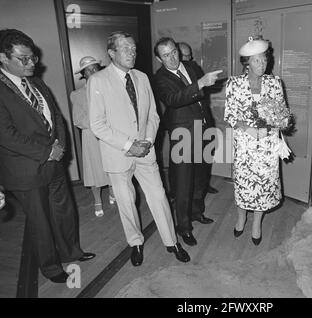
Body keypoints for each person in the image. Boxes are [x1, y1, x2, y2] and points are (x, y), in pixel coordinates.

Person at [0, 29, 95, 283]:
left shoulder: (36, 82)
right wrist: (46, 151)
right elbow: (6, 134)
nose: (33, 63)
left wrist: (60, 147)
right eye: (24, 59)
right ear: (2, 58)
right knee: (40, 222)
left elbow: (57, 118)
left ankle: (72, 251)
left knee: (64, 212)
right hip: (26, 170)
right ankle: (51, 267)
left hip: (54, 162)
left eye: (32, 57)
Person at [88, 31, 190, 266]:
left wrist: (147, 141)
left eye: (133, 49)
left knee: (159, 196)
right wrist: (128, 145)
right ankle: (136, 242)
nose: (132, 53)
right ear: (111, 53)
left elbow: (153, 115)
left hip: (145, 150)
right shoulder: (98, 81)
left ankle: (172, 242)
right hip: (118, 154)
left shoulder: (143, 78)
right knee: (126, 203)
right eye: (126, 49)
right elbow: (97, 125)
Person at [152, 37, 221, 247]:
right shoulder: (160, 78)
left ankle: (197, 212)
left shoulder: (191, 66)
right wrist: (199, 83)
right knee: (182, 184)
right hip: (182, 135)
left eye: (173, 52)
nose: (172, 58)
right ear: (158, 58)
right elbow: (174, 99)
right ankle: (184, 227)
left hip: (203, 129)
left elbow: (202, 95)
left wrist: (202, 84)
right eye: (165, 55)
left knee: (201, 177)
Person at [224, 37, 289, 245]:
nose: (262, 65)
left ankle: (257, 223)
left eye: (264, 60)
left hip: (268, 144)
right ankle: (242, 217)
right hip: (245, 144)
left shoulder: (275, 83)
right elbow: (230, 115)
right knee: (243, 184)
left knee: (264, 184)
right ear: (247, 63)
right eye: (257, 61)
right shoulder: (234, 83)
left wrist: (281, 122)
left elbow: (282, 114)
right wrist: (248, 129)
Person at [71, 56, 115, 217]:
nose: (91, 72)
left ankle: (112, 191)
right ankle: (97, 200)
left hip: (109, 134)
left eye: (94, 68)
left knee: (112, 165)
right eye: (87, 70)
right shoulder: (77, 94)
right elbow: (78, 119)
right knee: (94, 169)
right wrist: (97, 120)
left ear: (99, 69)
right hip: (91, 136)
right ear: (83, 74)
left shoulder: (109, 89)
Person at [177, 41, 218, 195]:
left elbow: (204, 91)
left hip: (204, 121)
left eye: (190, 55)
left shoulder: (193, 68)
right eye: (187, 56)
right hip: (186, 126)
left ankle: (203, 185)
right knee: (188, 165)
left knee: (206, 156)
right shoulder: (172, 75)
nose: (191, 59)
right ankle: (189, 192)